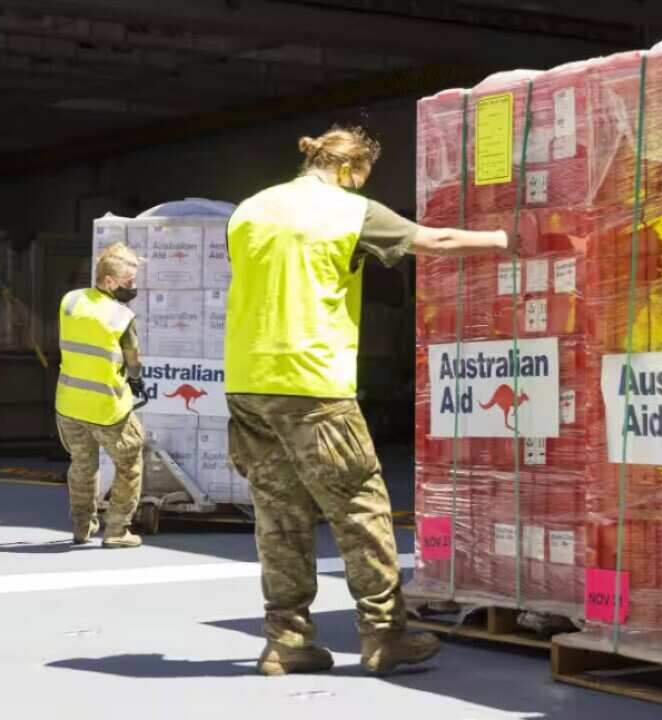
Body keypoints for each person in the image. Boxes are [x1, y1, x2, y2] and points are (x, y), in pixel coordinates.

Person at [225, 124, 515, 677]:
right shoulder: (346, 210)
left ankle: (286, 640)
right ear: (345, 168)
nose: (360, 186)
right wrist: (505, 239)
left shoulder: (250, 209)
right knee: (360, 506)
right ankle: (384, 635)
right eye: (360, 176)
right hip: (311, 382)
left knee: (279, 514)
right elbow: (436, 241)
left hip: (247, 382)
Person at [55, 242, 146, 549]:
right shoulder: (121, 316)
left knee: (82, 463)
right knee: (130, 461)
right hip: (106, 407)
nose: (132, 287)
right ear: (109, 281)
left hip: (69, 405)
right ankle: (117, 530)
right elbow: (133, 361)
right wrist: (136, 380)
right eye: (129, 282)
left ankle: (82, 526)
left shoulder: (70, 301)